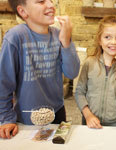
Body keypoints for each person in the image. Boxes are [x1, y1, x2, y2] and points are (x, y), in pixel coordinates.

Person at [0, 0, 80, 139]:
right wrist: (6, 118)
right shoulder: (15, 37)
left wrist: (66, 41)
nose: (50, 5)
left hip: (57, 111)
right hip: (25, 116)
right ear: (23, 12)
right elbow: (4, 83)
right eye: (41, 1)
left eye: (51, 0)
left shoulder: (59, 35)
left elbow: (72, 72)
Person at [75, 15, 116, 129]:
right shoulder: (90, 63)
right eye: (107, 37)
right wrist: (88, 115)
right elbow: (79, 92)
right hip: (90, 123)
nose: (113, 42)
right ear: (99, 40)